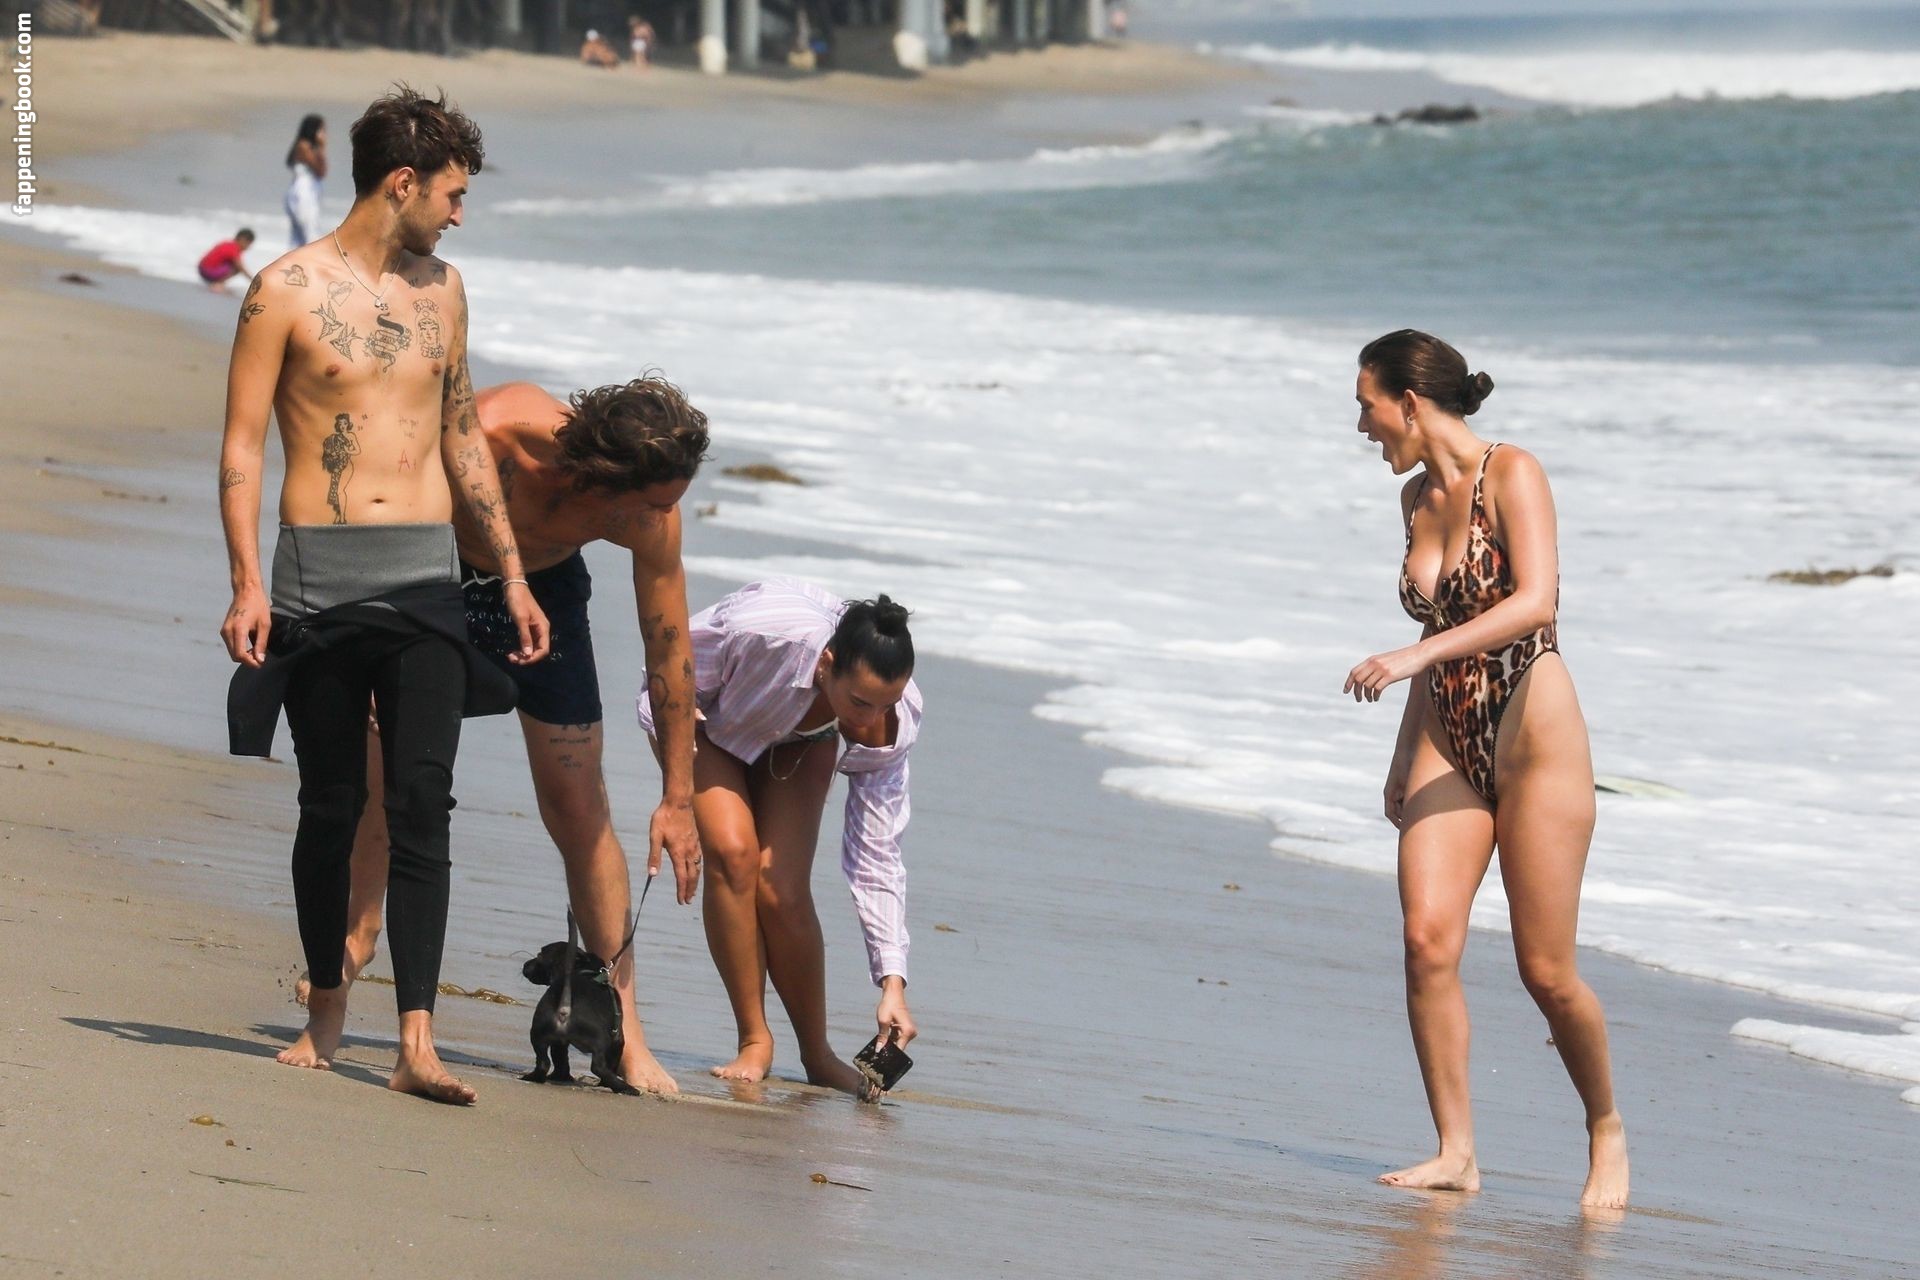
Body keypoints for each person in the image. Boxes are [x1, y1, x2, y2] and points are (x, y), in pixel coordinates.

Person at [219, 87, 547, 1105]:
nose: (460, 215)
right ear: (402, 184)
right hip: (316, 582)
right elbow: (241, 447)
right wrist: (246, 584)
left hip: (425, 581)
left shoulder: (446, 292)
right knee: (329, 805)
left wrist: (511, 573)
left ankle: (415, 1040)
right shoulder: (282, 290)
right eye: (452, 194)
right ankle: (327, 1006)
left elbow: (462, 434)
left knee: (421, 804)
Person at [312, 377, 709, 1096]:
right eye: (654, 503)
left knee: (579, 802)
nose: (664, 517)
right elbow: (378, 516)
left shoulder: (653, 516)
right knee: (390, 762)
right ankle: (358, 932)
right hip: (434, 574)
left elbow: (669, 648)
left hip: (546, 593)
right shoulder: (493, 437)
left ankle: (624, 1028)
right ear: (603, 478)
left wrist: (677, 796)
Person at [1343, 329, 1629, 1210]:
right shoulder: (1413, 499)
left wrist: (1411, 658)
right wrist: (1405, 750)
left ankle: (1606, 1127)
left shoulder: (1515, 473)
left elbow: (1534, 603)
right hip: (1448, 735)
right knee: (1426, 942)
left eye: (1366, 407)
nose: (1361, 426)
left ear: (1409, 404)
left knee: (1546, 972)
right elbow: (1441, 628)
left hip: (1533, 738)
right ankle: (1456, 1151)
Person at [639, 579, 921, 1095]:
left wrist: (892, 984)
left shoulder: (891, 723)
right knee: (734, 854)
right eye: (860, 702)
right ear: (827, 664)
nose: (871, 720)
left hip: (802, 740)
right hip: (707, 725)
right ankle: (754, 1038)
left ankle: (818, 1055)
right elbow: (663, 680)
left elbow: (877, 856)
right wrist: (675, 798)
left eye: (887, 704)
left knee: (781, 891)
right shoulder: (763, 635)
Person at [285, 114, 327, 248]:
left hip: (307, 190)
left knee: (303, 234)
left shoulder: (308, 147)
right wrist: (322, 147)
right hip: (303, 192)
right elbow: (320, 170)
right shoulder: (304, 146)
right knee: (309, 232)